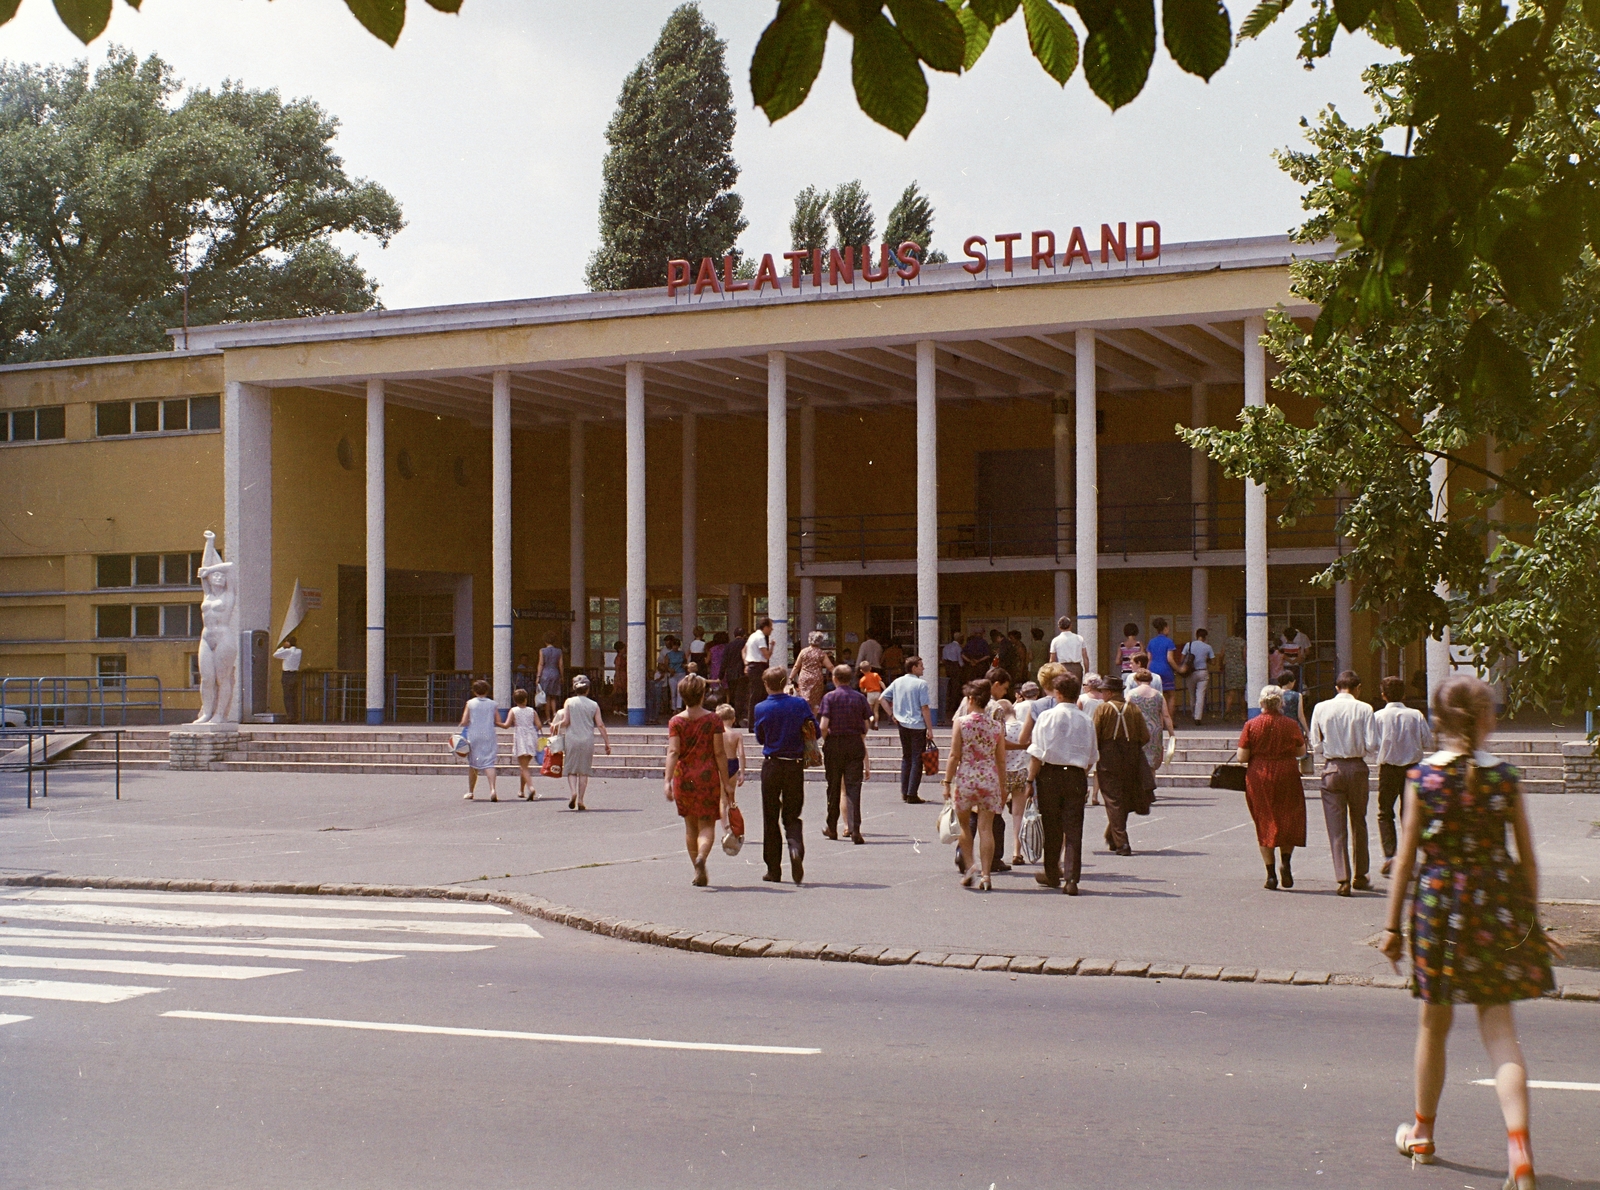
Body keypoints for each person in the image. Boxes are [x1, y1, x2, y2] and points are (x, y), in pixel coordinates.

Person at [1381, 674, 1555, 1188]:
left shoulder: (1422, 779)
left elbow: (1407, 858)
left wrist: (1392, 927)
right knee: (1501, 1033)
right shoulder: (1505, 777)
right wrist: (1531, 925)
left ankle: (1423, 1134)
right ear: (1486, 721)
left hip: (1438, 910)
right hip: (1496, 906)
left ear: (1437, 721)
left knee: (1433, 1026)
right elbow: (1527, 860)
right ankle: (1520, 1155)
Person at [1308, 669, 1377, 896]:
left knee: (1335, 827)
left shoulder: (1321, 707)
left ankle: (1342, 877)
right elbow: (1371, 743)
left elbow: (1315, 743)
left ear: (1337, 687)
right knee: (1359, 821)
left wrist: (1328, 750)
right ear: (1358, 688)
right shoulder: (1365, 708)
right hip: (1357, 767)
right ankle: (1360, 873)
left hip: (1332, 767)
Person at [1027, 673, 1097, 895]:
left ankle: (1051, 872)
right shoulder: (1086, 720)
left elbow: (1037, 753)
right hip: (1075, 774)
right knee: (1074, 828)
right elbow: (1092, 755)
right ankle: (1072, 878)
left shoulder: (1047, 717)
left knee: (1052, 825)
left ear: (1057, 694)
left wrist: (1030, 780)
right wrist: (1080, 771)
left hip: (1050, 773)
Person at [1235, 684, 1307, 889]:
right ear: (1281, 703)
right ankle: (1286, 861)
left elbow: (1242, 757)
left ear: (1261, 703)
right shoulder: (1291, 724)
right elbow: (1301, 751)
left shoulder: (1252, 724)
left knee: (1264, 819)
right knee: (1289, 818)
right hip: (1287, 772)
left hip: (1260, 775)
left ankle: (1270, 874)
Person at [663, 673, 731, 888]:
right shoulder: (713, 719)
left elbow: (673, 751)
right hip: (707, 775)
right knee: (707, 823)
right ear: (703, 694)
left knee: (690, 826)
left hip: (683, 777)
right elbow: (719, 753)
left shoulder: (676, 721)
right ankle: (703, 856)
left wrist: (667, 781)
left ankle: (696, 867)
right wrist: (726, 781)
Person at [753, 666, 816, 884]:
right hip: (794, 764)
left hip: (772, 764)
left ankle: (773, 869)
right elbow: (813, 727)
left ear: (766, 684)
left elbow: (760, 737)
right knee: (792, 813)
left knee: (770, 817)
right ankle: (795, 845)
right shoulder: (799, 703)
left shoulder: (761, 708)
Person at [942, 679, 1005, 890]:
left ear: (970, 699)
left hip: (967, 777)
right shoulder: (996, 726)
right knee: (986, 828)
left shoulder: (961, 723)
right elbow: (1001, 759)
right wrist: (1003, 788)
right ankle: (987, 875)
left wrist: (946, 781)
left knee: (964, 826)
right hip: (989, 778)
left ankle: (970, 867)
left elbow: (954, 754)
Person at [1374, 675, 1434, 877]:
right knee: (1409, 814)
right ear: (1404, 694)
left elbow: (1372, 744)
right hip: (1412, 768)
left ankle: (1390, 855)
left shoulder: (1378, 716)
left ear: (1383, 695)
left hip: (1388, 768)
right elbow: (1428, 741)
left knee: (1385, 812)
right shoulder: (1415, 715)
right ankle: (1409, 857)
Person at [1092, 679, 1149, 856]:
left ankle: (1122, 843)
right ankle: (1112, 836)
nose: (1101, 695)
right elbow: (1145, 736)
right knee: (1123, 797)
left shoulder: (1103, 709)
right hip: (1131, 756)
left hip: (1109, 757)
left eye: (1103, 692)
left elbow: (1094, 734)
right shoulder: (1134, 709)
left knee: (1113, 799)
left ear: (1109, 693)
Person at [819, 664, 870, 844]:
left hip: (835, 743)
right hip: (854, 743)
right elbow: (866, 723)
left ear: (835, 679)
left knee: (833, 787)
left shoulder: (829, 697)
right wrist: (860, 736)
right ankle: (855, 829)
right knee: (853, 787)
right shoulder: (859, 698)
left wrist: (825, 740)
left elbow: (824, 725)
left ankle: (832, 827)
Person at [881, 655, 933, 804]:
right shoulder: (921, 684)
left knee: (907, 757)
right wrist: (930, 729)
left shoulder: (898, 681)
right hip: (917, 724)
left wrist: (892, 715)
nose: (923, 668)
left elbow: (882, 698)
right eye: (921, 665)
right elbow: (925, 707)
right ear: (914, 667)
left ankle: (905, 791)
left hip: (902, 723)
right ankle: (912, 793)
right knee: (917, 759)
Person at [554, 673, 610, 810]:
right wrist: (607, 743)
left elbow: (566, 721)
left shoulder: (569, 702)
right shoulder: (594, 705)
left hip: (571, 739)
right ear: (588, 689)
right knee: (584, 771)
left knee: (572, 770)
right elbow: (600, 725)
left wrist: (555, 725)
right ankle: (581, 799)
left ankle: (572, 792)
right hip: (587, 740)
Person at [997, 699, 1031, 867]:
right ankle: (1017, 851)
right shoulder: (1024, 726)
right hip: (1021, 772)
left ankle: (996, 852)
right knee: (1018, 814)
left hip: (1004, 773)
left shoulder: (1001, 729)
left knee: (997, 813)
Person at [457, 678, 500, 802]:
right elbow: (497, 720)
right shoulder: (493, 704)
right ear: (487, 690)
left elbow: (464, 721)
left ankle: (471, 791)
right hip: (488, 734)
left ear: (474, 691)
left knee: (473, 764)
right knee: (489, 763)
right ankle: (492, 789)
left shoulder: (470, 703)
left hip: (474, 734)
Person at [1125, 669, 1171, 778]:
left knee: (1137, 758)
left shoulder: (1131, 694)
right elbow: (1166, 715)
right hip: (1155, 730)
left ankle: (1138, 788)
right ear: (1150, 680)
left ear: (1136, 680)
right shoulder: (1159, 695)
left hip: (1136, 729)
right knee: (1152, 762)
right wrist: (1171, 733)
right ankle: (1150, 786)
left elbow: (1125, 712)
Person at [503, 688, 543, 800]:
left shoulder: (513, 711)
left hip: (520, 738)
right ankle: (521, 790)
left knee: (524, 767)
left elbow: (506, 725)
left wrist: (497, 723)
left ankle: (531, 788)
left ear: (515, 700)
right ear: (526, 699)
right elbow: (539, 725)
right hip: (531, 737)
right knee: (524, 766)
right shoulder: (532, 711)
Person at [788, 630, 834, 713]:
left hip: (804, 678)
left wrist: (790, 677)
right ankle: (813, 718)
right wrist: (838, 675)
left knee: (804, 698)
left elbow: (796, 666)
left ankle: (804, 717)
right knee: (815, 702)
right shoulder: (821, 653)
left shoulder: (803, 652)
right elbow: (830, 666)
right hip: (816, 679)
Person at [742, 618, 774, 726]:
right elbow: (767, 655)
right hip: (758, 666)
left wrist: (746, 663)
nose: (771, 630)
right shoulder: (760, 637)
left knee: (755, 695)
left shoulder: (752, 636)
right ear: (765, 627)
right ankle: (754, 723)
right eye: (770, 627)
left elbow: (744, 650)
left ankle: (754, 722)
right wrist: (772, 647)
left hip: (752, 666)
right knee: (757, 695)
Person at [1181, 628, 1215, 724]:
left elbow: (1182, 658)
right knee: (1200, 695)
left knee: (1192, 695)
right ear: (1205, 637)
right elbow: (1213, 662)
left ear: (1196, 635)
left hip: (1191, 672)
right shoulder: (1208, 647)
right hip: (1202, 672)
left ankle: (1193, 713)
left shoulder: (1189, 645)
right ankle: (1198, 717)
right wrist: (1206, 659)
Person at [1147, 617, 1178, 720]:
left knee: (1156, 695)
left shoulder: (1151, 642)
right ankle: (1169, 720)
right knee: (1171, 695)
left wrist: (1147, 671)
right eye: (1168, 628)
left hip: (1153, 670)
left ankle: (1157, 720)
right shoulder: (1169, 642)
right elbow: (1170, 659)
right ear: (1165, 628)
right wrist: (1178, 669)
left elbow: (1149, 658)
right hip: (1166, 670)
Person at [716, 702, 746, 793]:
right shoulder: (737, 735)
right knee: (731, 795)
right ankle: (731, 806)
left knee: (722, 798)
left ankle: (723, 807)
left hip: (720, 763)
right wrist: (742, 773)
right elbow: (741, 754)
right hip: (733, 763)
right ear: (733, 719)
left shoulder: (717, 734)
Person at [273, 634, 302, 724]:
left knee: (287, 697)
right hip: (295, 674)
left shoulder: (288, 652)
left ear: (288, 643)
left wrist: (283, 647)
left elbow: (275, 655)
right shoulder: (299, 651)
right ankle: (295, 716)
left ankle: (290, 716)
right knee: (294, 696)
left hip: (287, 674)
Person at [1048, 616, 1087, 681]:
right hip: (1076, 667)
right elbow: (1085, 657)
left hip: (1062, 667)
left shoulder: (1055, 640)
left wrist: (1051, 672)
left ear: (1059, 627)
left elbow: (1052, 659)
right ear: (1070, 625)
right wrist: (1087, 671)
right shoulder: (1079, 638)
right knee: (1076, 688)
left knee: (1064, 689)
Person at [1222, 623, 1248, 720]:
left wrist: (1222, 665)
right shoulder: (1243, 642)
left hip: (1229, 668)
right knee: (1242, 693)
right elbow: (1244, 656)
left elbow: (1222, 654)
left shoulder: (1227, 641)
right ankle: (1243, 715)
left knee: (1231, 692)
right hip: (1240, 668)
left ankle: (1227, 711)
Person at [538, 633, 565, 716]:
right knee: (554, 696)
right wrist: (562, 676)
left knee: (547, 697)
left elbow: (541, 663)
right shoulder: (559, 651)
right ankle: (554, 713)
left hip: (545, 673)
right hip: (555, 673)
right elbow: (560, 664)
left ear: (545, 641)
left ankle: (548, 717)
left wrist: (538, 676)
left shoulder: (542, 651)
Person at [940, 631, 963, 711]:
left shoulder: (946, 647)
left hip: (948, 667)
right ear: (959, 638)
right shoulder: (958, 647)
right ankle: (953, 706)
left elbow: (943, 659)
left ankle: (948, 705)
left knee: (949, 686)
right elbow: (960, 661)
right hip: (955, 667)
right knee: (955, 687)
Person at [858, 661, 885, 728]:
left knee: (869, 710)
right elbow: (881, 683)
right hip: (878, 693)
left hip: (870, 694)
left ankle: (870, 723)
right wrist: (885, 690)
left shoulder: (862, 679)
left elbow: (862, 690)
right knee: (876, 710)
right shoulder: (875, 675)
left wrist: (865, 691)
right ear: (870, 668)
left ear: (861, 670)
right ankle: (876, 724)